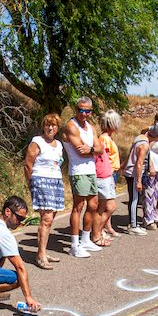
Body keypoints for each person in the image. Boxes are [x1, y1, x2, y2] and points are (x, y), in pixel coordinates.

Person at [22, 113, 65, 269]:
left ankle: (43, 251)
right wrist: (31, 183)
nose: (50, 127)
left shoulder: (59, 144)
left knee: (50, 218)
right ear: (43, 126)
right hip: (41, 181)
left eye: (54, 125)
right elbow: (28, 164)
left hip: (56, 181)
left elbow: (58, 163)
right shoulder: (37, 142)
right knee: (46, 219)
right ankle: (40, 256)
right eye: (48, 124)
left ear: (58, 128)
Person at [63, 96, 103, 259]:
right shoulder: (72, 126)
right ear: (75, 109)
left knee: (93, 205)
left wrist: (91, 149)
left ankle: (85, 239)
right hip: (78, 171)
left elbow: (100, 149)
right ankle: (74, 245)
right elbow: (80, 150)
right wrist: (92, 150)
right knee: (78, 207)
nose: (84, 114)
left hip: (90, 170)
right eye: (81, 110)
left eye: (87, 111)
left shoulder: (91, 127)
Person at [93, 109, 123, 245]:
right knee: (107, 207)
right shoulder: (104, 139)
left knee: (106, 207)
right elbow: (100, 158)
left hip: (110, 174)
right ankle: (97, 233)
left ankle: (99, 231)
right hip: (104, 175)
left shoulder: (108, 138)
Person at [123, 124, 157, 235]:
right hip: (133, 173)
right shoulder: (145, 145)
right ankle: (133, 225)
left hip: (130, 171)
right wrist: (138, 181)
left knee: (134, 198)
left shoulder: (140, 137)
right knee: (134, 199)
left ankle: (134, 223)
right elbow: (139, 163)